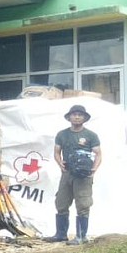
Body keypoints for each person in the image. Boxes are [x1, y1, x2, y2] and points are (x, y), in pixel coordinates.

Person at [43, 105, 102, 245]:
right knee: (61, 203)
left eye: (80, 115)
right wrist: (60, 164)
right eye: (74, 114)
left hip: (83, 176)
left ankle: (81, 237)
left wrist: (93, 170)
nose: (76, 117)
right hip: (67, 173)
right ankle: (61, 234)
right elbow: (57, 151)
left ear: (84, 118)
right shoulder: (62, 134)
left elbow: (98, 154)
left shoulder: (91, 135)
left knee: (83, 204)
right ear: (69, 117)